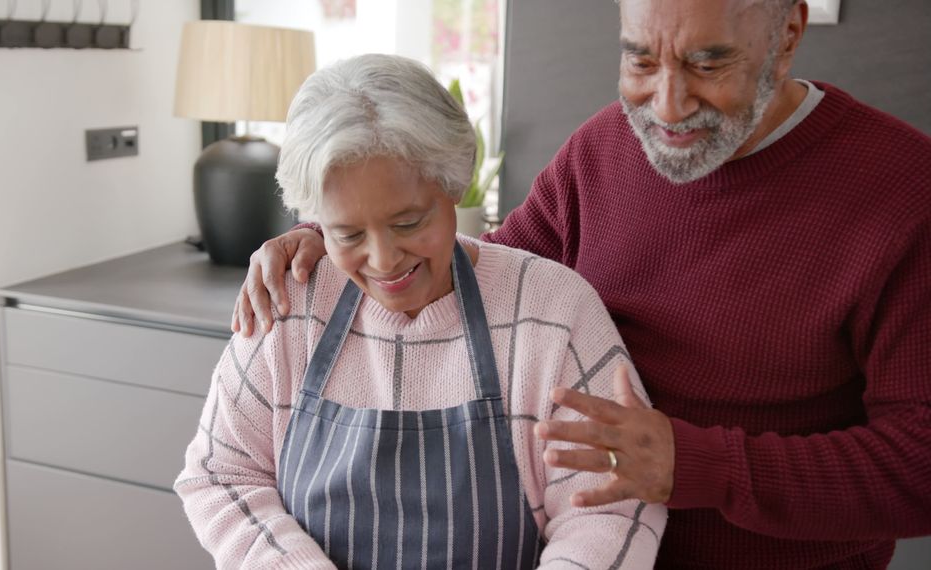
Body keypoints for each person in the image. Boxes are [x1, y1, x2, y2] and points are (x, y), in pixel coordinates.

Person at [232, 1, 931, 568]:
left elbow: (920, 463)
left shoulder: (903, 191)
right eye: (640, 59)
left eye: (707, 62)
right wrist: (340, 238)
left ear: (787, 36)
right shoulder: (604, 149)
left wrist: (700, 464)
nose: (668, 104)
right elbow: (487, 271)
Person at [175, 54, 667, 569]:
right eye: (348, 234)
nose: (385, 260)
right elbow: (221, 473)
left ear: (453, 185)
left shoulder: (554, 313)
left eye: (409, 223)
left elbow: (613, 509)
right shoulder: (290, 302)